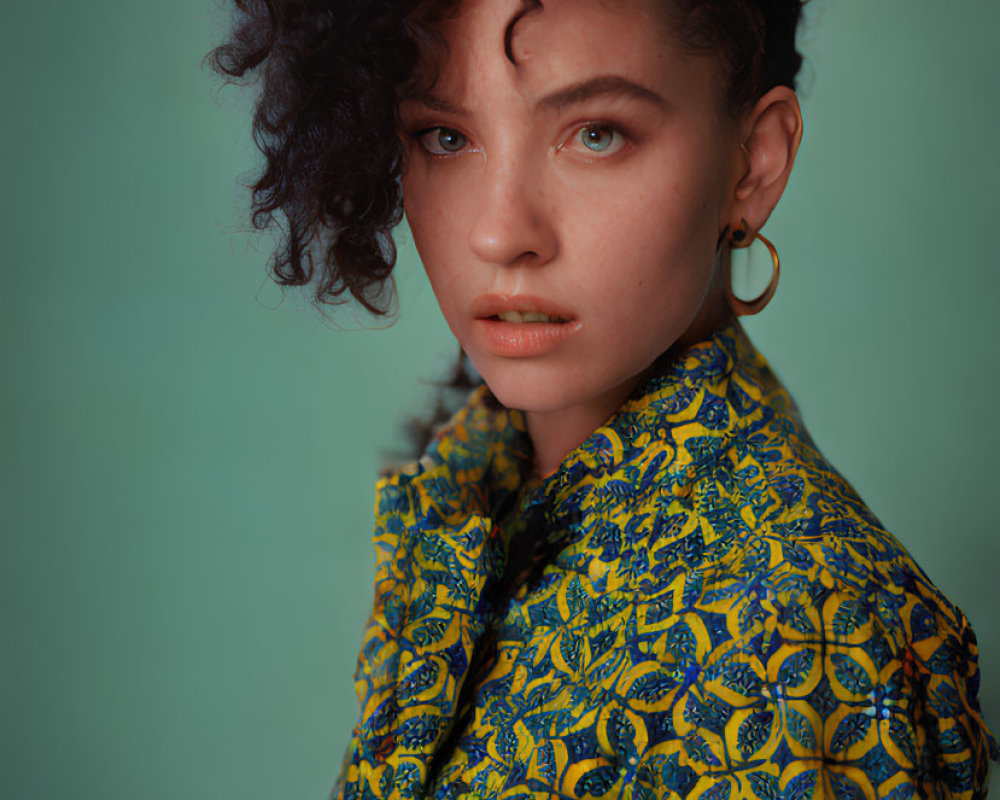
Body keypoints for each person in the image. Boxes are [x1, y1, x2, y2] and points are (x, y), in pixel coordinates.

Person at [211, 0, 997, 797]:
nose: (500, 230)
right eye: (446, 137)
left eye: (596, 133)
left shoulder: (803, 627)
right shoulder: (470, 507)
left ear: (752, 164)